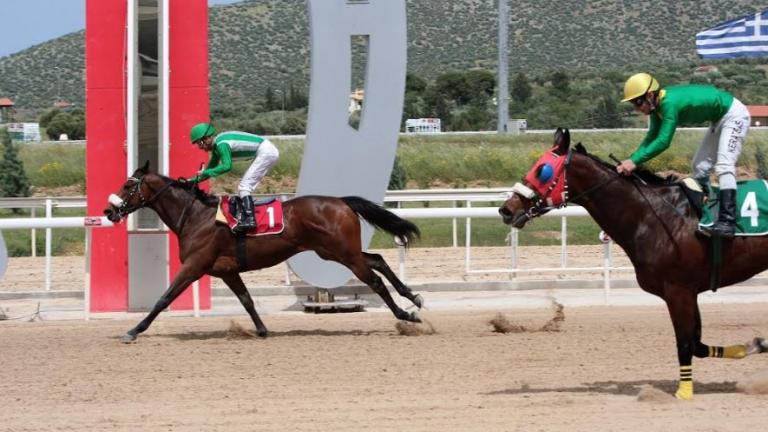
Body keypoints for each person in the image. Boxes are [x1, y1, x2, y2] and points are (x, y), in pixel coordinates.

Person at [617, 73, 751, 238]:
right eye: (633, 104)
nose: (636, 108)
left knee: (724, 166)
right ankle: (708, 208)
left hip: (734, 115)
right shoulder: (656, 108)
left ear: (650, 95)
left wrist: (635, 161)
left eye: (638, 102)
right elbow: (651, 137)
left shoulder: (669, 104)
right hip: (719, 119)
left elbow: (664, 141)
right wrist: (632, 159)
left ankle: (728, 223)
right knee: (699, 166)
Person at [188, 123, 280, 231]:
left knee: (244, 187)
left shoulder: (221, 145)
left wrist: (207, 172)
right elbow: (208, 172)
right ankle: (248, 218)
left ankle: (250, 220)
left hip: (266, 152)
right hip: (265, 151)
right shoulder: (217, 147)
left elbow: (227, 166)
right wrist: (190, 181)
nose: (200, 147)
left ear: (207, 138)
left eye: (200, 143)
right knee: (243, 187)